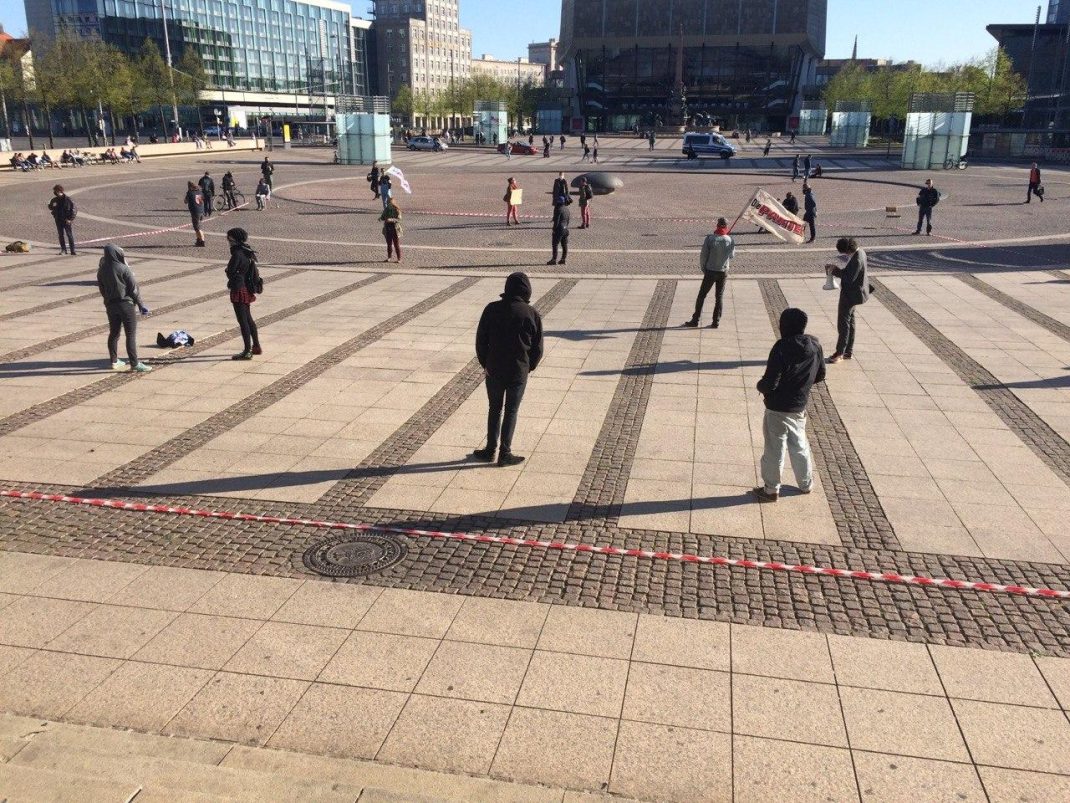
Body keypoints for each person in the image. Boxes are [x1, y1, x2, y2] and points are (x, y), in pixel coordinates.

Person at [751, 307, 825, 503]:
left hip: (777, 407)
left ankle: (771, 490)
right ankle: (806, 484)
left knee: (774, 448)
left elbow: (770, 383)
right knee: (799, 445)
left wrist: (760, 386)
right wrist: (801, 385)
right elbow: (820, 375)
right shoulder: (815, 345)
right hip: (799, 405)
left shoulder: (781, 347)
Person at [471, 272, 544, 467]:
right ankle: (505, 453)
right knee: (511, 410)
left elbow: (481, 341)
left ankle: (490, 450)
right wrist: (528, 367)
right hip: (518, 370)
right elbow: (537, 348)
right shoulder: (531, 314)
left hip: (494, 368)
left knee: (494, 408)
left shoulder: (491, 309)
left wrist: (485, 364)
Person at [96, 244, 152, 372]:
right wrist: (141, 305)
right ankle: (134, 363)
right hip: (126, 305)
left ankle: (114, 361)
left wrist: (107, 302)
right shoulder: (123, 268)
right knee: (130, 334)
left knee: (114, 333)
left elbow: (102, 289)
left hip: (111, 306)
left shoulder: (101, 270)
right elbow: (133, 289)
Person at [683, 217, 734, 329]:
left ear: (717, 225)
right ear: (726, 226)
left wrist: (704, 268)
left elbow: (703, 255)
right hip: (723, 271)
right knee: (719, 297)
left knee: (702, 295)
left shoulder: (710, 239)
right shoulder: (730, 239)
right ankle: (716, 321)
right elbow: (731, 256)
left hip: (710, 271)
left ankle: (695, 320)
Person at [827, 237, 869, 364]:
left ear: (848, 250)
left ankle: (840, 352)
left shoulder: (856, 259)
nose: (845, 255)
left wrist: (835, 271)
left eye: (845, 253)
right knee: (850, 322)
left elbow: (849, 278)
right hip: (856, 293)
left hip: (850, 295)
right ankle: (847, 351)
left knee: (843, 323)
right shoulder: (860, 252)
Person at [225, 227, 262, 359]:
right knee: (248, 319)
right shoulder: (247, 251)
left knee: (243, 321)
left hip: (239, 289)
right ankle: (256, 346)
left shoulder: (237, 254)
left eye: (229, 239)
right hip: (246, 288)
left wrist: (229, 272)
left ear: (234, 239)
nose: (228, 241)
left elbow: (231, 271)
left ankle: (247, 351)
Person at [47, 185, 77, 256]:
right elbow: (51, 207)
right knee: (61, 235)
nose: (57, 193)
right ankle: (63, 250)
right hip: (58, 220)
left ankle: (72, 250)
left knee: (69, 235)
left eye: (58, 191)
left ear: (61, 191)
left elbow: (74, 210)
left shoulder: (68, 200)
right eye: (56, 191)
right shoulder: (54, 200)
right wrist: (50, 206)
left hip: (66, 220)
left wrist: (70, 219)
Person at [548, 195, 571, 265]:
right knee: (564, 244)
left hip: (559, 229)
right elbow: (568, 220)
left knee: (555, 244)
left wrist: (554, 229)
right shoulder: (567, 209)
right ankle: (563, 259)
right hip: (565, 228)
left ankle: (554, 259)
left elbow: (556, 221)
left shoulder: (558, 209)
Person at [380, 197, 402, 263]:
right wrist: (380, 218)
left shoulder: (397, 210)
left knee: (396, 244)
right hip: (387, 228)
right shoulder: (386, 209)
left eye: (389, 203)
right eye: (388, 203)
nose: (388, 204)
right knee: (389, 244)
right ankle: (389, 257)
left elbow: (399, 219)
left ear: (393, 203)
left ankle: (399, 259)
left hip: (395, 229)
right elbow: (383, 217)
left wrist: (391, 220)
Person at [184, 181, 205, 247]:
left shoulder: (190, 193)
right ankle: (198, 240)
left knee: (197, 228)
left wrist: (188, 195)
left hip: (195, 212)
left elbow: (185, 201)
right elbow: (202, 200)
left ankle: (202, 241)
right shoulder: (200, 191)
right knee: (197, 227)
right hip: (201, 211)